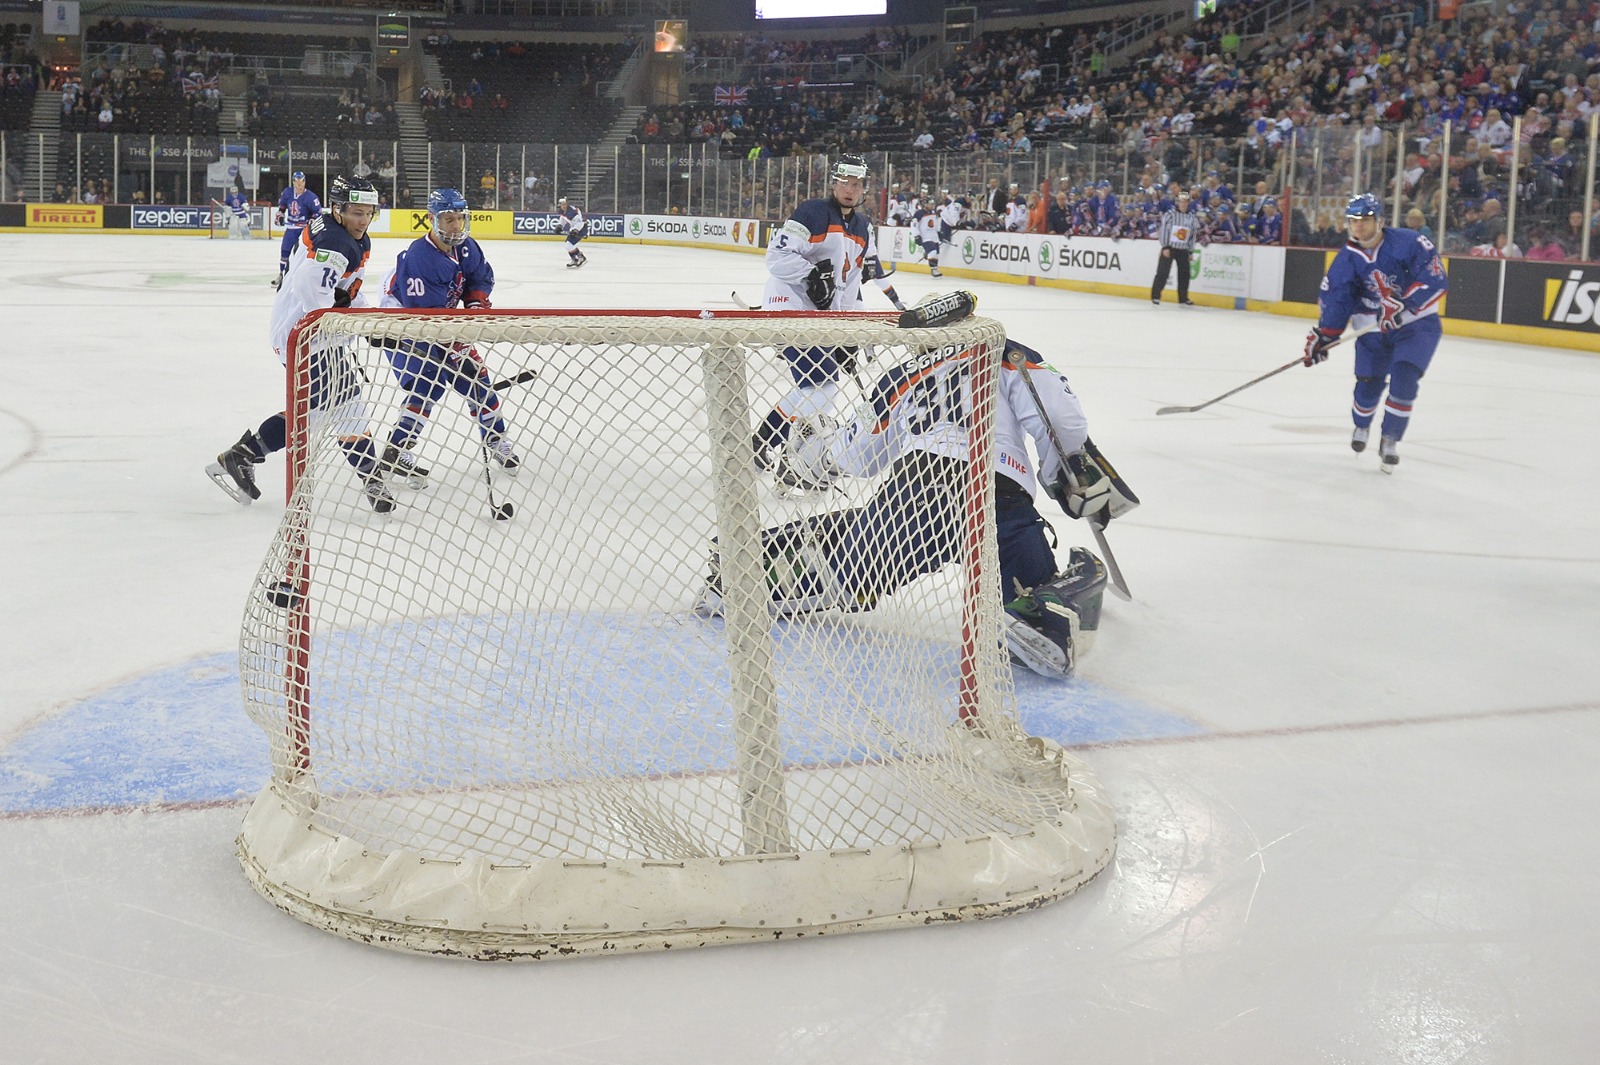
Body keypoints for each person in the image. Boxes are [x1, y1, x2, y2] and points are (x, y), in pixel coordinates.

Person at [702, 335, 1137, 679]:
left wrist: (815, 454)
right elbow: (1060, 417)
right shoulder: (1002, 349)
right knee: (1030, 592)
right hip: (999, 494)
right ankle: (1040, 618)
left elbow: (859, 455)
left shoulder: (902, 375)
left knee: (853, 560)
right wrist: (1068, 473)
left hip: (917, 493)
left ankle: (750, 573)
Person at [206, 176, 393, 510]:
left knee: (331, 407)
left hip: (305, 332)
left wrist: (361, 316)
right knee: (343, 405)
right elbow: (313, 288)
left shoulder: (344, 236)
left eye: (368, 212)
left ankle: (244, 454)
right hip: (304, 335)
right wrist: (342, 318)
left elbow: (342, 290)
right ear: (338, 209)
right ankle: (372, 480)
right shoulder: (338, 242)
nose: (362, 220)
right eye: (355, 212)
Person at [375, 188, 521, 480]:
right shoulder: (421, 257)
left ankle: (495, 438)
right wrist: (455, 350)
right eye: (448, 219)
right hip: (403, 322)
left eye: (460, 218)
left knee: (478, 379)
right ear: (432, 219)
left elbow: (480, 277)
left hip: (444, 321)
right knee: (427, 385)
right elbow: (426, 315)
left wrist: (476, 302)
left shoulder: (467, 247)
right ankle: (399, 447)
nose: (456, 225)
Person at [750, 154, 875, 478]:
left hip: (822, 318)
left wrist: (849, 335)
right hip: (788, 304)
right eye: (845, 182)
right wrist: (809, 275)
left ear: (864, 189)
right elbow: (776, 257)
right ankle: (778, 448)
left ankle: (771, 443)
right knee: (819, 388)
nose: (850, 189)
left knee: (820, 390)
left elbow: (850, 285)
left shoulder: (862, 228)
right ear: (834, 182)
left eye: (857, 183)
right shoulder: (812, 212)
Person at [1303, 193, 1448, 472]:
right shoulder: (1347, 259)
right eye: (1353, 220)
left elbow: (1435, 277)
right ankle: (1361, 425)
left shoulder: (1409, 242)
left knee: (1405, 379)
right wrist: (1325, 336)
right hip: (1372, 328)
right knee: (1368, 384)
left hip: (1415, 324)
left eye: (1365, 220)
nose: (1359, 226)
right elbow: (1338, 300)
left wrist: (1404, 303)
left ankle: (1390, 438)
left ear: (1380, 220)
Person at [1151, 189, 1201, 306]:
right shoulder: (1170, 215)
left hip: (1183, 249)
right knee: (1162, 272)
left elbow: (1192, 235)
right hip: (1170, 248)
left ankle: (1183, 298)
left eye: (1186, 202)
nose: (1183, 204)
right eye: (1181, 201)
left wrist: (1190, 251)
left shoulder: (1192, 217)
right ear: (1177, 202)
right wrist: (1165, 247)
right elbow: (1164, 231)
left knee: (1184, 275)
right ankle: (1155, 296)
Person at [272, 171, 321, 288]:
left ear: (304, 182)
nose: (299, 184)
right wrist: (280, 215)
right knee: (285, 251)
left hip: (303, 230)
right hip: (291, 228)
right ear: (293, 182)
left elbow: (318, 212)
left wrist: (312, 220)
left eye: (301, 181)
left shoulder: (311, 197)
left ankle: (302, 278)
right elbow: (282, 207)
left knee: (302, 255)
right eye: (297, 181)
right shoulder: (287, 193)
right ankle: (282, 275)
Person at [556, 195, 587, 268]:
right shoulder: (564, 211)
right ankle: (575, 259)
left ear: (567, 204)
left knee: (569, 244)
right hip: (575, 229)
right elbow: (563, 218)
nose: (562, 206)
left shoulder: (572, 212)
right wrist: (560, 225)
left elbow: (580, 223)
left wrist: (576, 230)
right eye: (561, 204)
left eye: (564, 204)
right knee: (568, 245)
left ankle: (581, 257)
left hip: (581, 229)